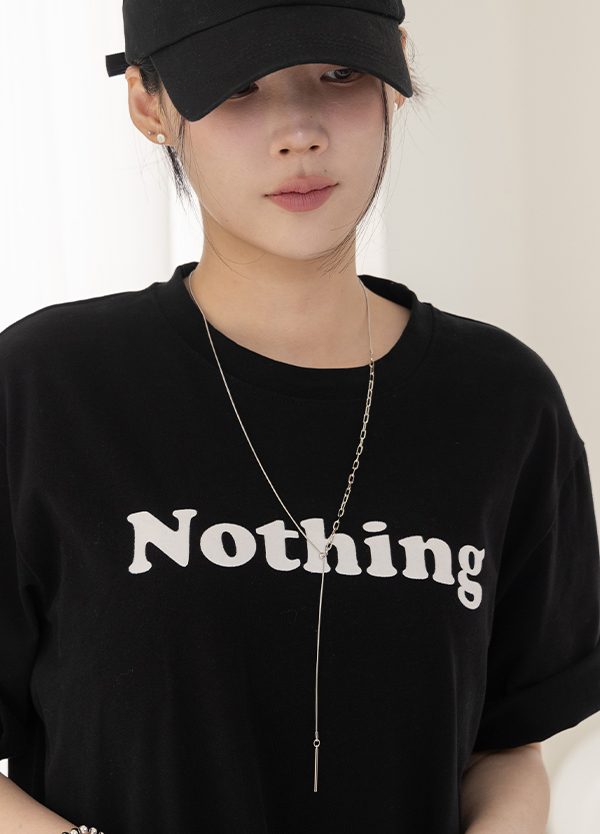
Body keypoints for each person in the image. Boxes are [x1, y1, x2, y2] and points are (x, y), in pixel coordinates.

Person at [1, 1, 599, 833]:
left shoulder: (503, 401)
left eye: (340, 74)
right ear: (148, 103)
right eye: (239, 87)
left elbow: (505, 744)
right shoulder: (47, 386)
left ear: (396, 72)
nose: (300, 133)